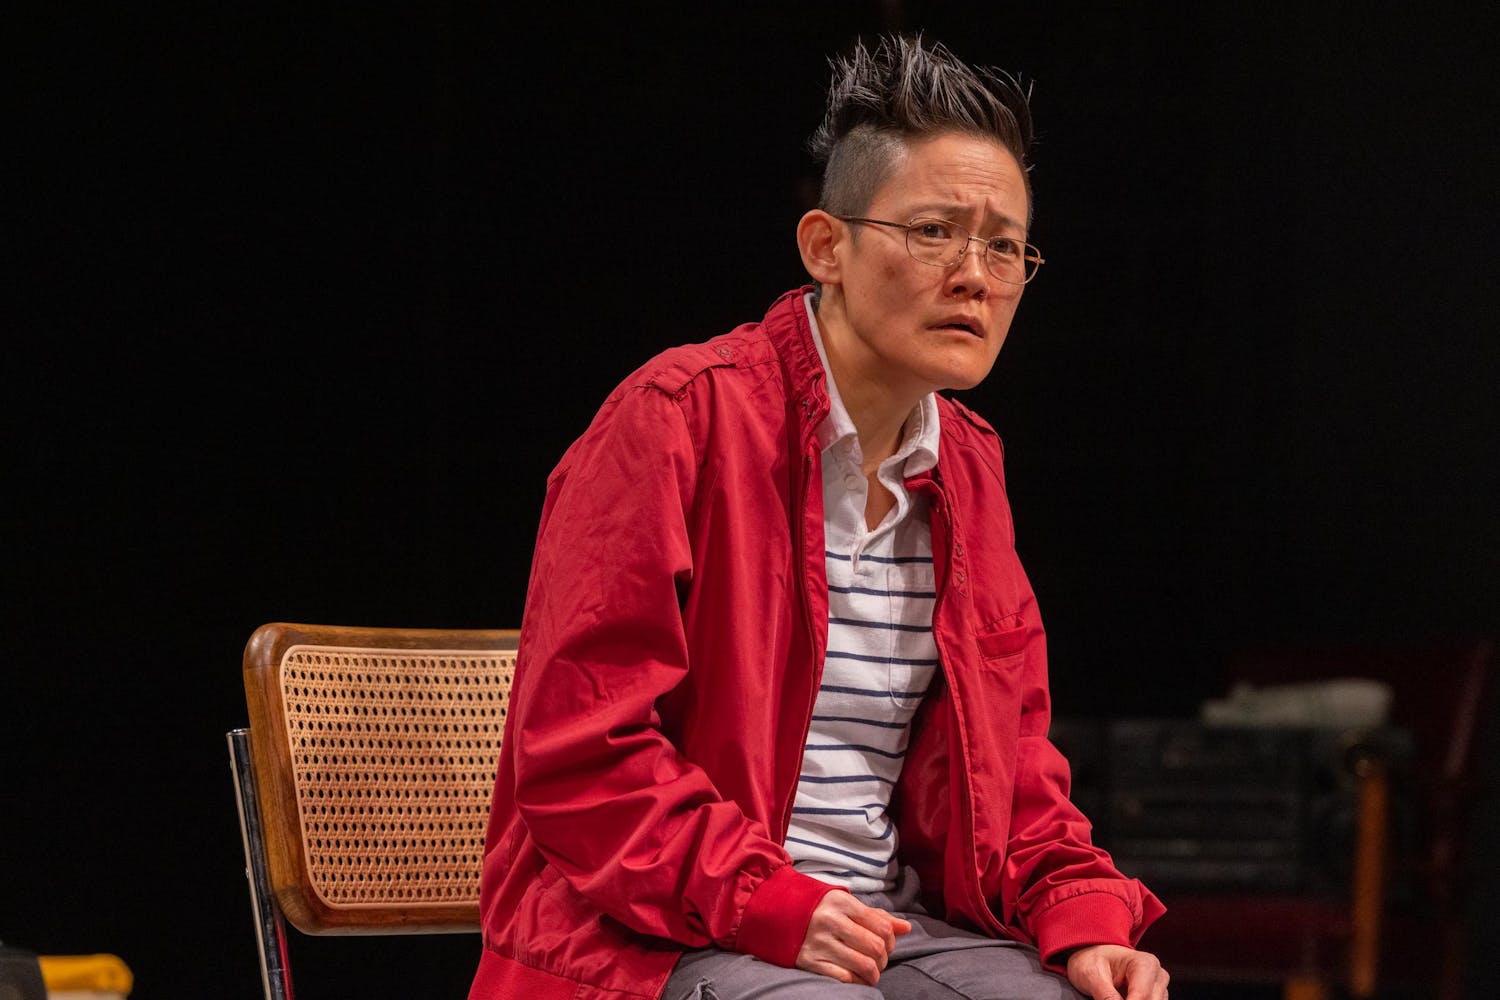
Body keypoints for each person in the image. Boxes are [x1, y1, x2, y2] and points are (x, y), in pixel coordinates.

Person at [469, 34, 1168, 1000]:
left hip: (882, 927)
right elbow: (583, 758)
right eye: (935, 231)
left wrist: (1081, 917)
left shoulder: (968, 466)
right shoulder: (675, 421)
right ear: (825, 246)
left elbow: (1009, 771)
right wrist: (770, 900)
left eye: (1005, 246)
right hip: (654, 934)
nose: (975, 274)